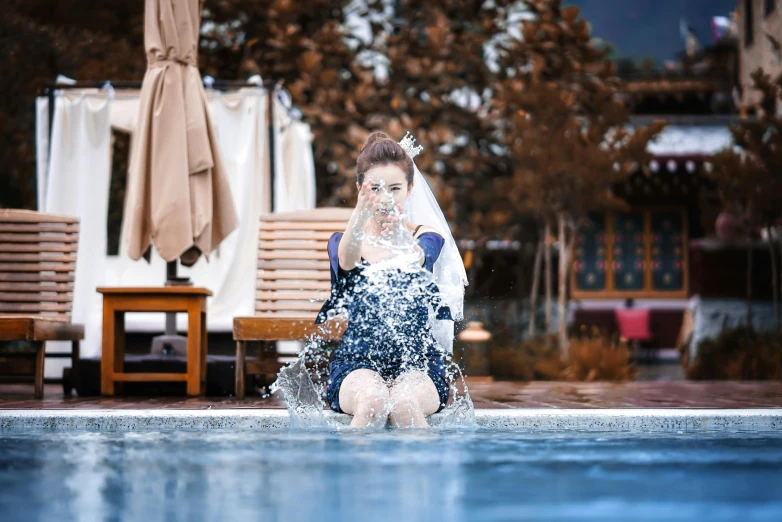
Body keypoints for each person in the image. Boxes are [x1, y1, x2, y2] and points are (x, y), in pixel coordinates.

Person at [315, 131, 462, 428]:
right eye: (376, 189)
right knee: (373, 402)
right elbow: (346, 260)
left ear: (409, 188)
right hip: (357, 362)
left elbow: (418, 258)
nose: (386, 198)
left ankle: (422, 474)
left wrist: (397, 233)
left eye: (395, 188)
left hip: (418, 364)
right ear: (360, 189)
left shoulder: (427, 236)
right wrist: (360, 211)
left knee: (405, 404)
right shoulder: (343, 241)